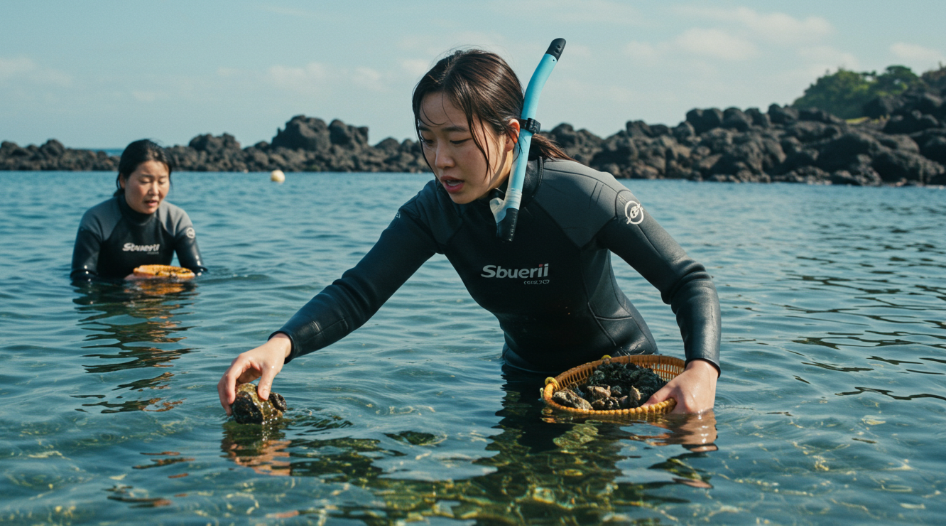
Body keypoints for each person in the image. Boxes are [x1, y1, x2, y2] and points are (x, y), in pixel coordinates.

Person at [218, 49, 720, 414]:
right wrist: (280, 344)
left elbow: (687, 280)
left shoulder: (583, 196)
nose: (440, 160)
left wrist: (701, 369)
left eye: (457, 139)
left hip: (624, 378)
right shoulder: (433, 212)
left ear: (511, 135)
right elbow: (357, 292)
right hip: (526, 383)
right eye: (427, 140)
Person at [71, 139, 207, 281]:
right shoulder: (97, 219)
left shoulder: (176, 219)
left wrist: (173, 283)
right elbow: (81, 278)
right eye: (145, 181)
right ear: (123, 180)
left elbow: (198, 274)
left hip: (161, 300)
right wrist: (125, 283)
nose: (155, 191)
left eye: (162, 182)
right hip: (110, 300)